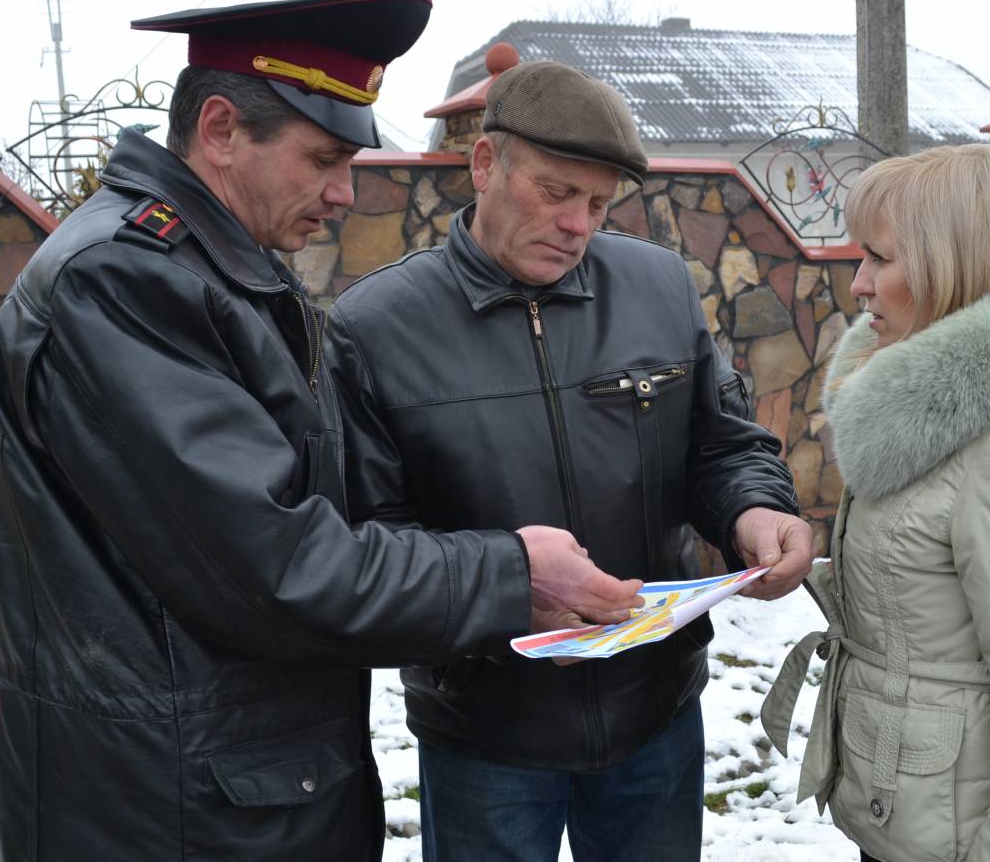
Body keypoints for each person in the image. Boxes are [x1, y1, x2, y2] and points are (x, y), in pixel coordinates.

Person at [0, 0, 642, 862]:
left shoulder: (211, 263)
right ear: (221, 130)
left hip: (233, 785)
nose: (345, 191)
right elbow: (277, 566)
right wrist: (511, 574)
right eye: (325, 157)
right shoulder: (124, 284)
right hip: (177, 811)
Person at [325, 59, 814, 862]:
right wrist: (510, 581)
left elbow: (722, 447)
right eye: (556, 193)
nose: (579, 225)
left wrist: (753, 509)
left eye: (598, 202)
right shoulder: (375, 327)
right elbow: (368, 545)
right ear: (485, 165)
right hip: (486, 732)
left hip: (654, 716)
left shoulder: (658, 285)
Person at [759, 143, 990, 862]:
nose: (859, 284)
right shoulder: (926, 411)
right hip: (910, 823)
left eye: (879, 258)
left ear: (956, 265)